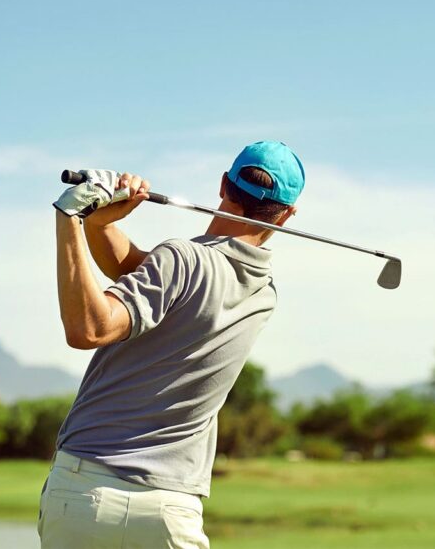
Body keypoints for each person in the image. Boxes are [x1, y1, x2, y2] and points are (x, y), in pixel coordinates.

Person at [40, 141, 305, 549]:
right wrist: (101, 226)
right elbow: (144, 275)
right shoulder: (263, 292)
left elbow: (88, 328)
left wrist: (72, 217)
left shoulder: (181, 259)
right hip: (170, 511)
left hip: (85, 491)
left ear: (223, 185)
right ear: (287, 216)